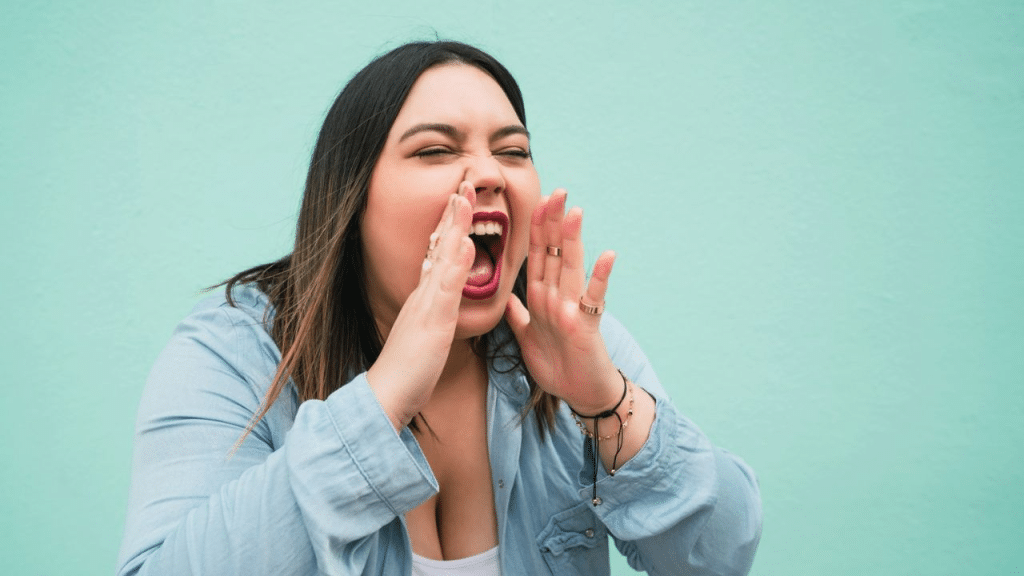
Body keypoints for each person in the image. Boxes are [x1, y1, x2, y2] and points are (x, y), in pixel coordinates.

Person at [116, 40, 762, 576]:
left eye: (512, 150)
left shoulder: (569, 340)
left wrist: (603, 398)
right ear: (352, 200)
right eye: (435, 150)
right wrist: (383, 398)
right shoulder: (233, 352)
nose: (489, 173)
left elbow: (717, 559)